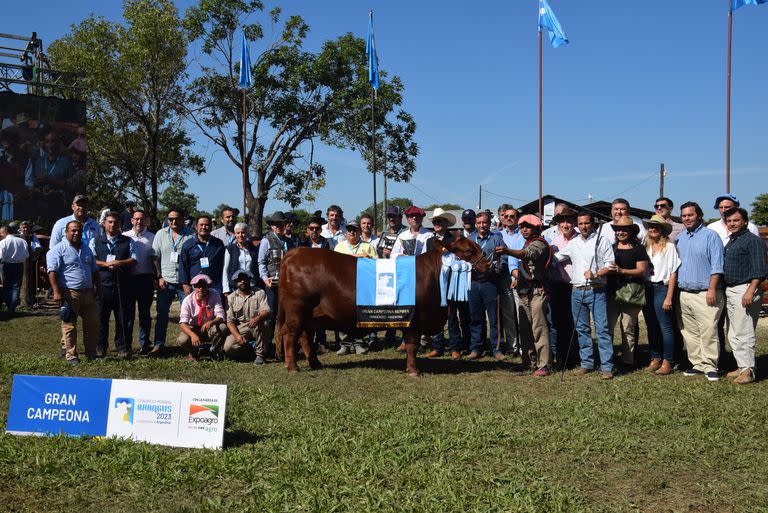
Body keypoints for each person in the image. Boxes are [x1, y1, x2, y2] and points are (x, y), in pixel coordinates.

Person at [554, 212, 616, 380]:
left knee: (602, 329)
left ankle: (607, 367)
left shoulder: (602, 241)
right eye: (580, 224)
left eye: (586, 223)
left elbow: (611, 265)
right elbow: (557, 258)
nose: (583, 226)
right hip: (577, 291)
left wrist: (596, 274)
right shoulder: (573, 243)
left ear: (592, 224)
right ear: (577, 225)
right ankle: (586, 363)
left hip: (596, 290)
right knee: (582, 329)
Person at [676, 201, 724, 382]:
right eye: (684, 215)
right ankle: (697, 364)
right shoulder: (680, 238)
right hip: (685, 293)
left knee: (708, 331)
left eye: (690, 215)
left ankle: (710, 366)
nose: (687, 218)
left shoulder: (711, 236)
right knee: (689, 332)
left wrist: (712, 289)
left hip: (706, 292)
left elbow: (717, 266)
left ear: (699, 215)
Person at [721, 207, 767, 384]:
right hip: (731, 289)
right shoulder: (732, 240)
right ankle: (742, 366)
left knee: (744, 332)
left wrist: (750, 291)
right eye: (729, 221)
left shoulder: (753, 241)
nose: (732, 223)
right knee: (733, 332)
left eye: (736, 220)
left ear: (745, 221)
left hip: (745, 289)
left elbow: (760, 270)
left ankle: (748, 371)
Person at [46, 221, 100, 365]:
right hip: (70, 293)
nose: (76, 233)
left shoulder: (87, 249)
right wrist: (56, 291)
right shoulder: (58, 249)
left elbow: (94, 270)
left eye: (79, 231)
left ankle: (91, 353)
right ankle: (71, 355)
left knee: (92, 324)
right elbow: (52, 272)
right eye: (73, 231)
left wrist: (97, 287)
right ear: (66, 232)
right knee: (69, 325)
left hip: (88, 293)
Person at [90, 211, 136, 358]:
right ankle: (100, 347)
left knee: (122, 319)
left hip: (122, 285)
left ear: (120, 225)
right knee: (101, 318)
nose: (112, 224)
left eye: (115, 222)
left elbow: (134, 259)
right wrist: (106, 264)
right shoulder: (96, 240)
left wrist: (119, 263)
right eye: (109, 222)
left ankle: (122, 347)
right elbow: (91, 260)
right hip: (102, 285)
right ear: (104, 224)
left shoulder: (128, 241)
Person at [606, 216, 649, 370]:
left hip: (631, 293)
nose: (621, 232)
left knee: (628, 328)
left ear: (631, 231)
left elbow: (642, 270)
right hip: (612, 292)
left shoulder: (638, 249)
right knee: (608, 328)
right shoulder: (611, 247)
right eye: (618, 229)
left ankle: (628, 361)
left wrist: (621, 271)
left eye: (624, 229)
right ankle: (607, 361)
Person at [151, 207, 194, 356]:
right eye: (170, 219)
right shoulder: (160, 234)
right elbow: (155, 256)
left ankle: (191, 347)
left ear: (183, 219)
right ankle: (158, 344)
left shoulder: (191, 235)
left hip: (184, 283)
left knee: (189, 315)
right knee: (162, 314)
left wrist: (188, 282)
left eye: (176, 218)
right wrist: (159, 277)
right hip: (166, 281)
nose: (173, 221)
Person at [642, 215, 681, 376]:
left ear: (663, 229)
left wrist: (669, 297)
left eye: (656, 226)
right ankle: (655, 357)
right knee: (651, 326)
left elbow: (673, 273)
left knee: (665, 327)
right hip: (648, 288)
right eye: (650, 226)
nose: (653, 229)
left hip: (661, 289)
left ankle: (668, 360)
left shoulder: (669, 247)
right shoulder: (646, 246)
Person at [333, 220, 378, 355]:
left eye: (355, 230)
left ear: (359, 232)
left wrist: (367, 258)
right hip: (342, 286)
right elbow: (333, 266)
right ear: (346, 232)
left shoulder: (368, 246)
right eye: (349, 230)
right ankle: (345, 344)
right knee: (342, 314)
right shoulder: (339, 246)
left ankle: (359, 342)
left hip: (362, 285)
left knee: (359, 314)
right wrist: (357, 257)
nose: (352, 232)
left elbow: (376, 264)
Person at [467, 211, 506, 361]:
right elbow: (462, 258)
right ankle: (477, 348)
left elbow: (504, 258)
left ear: (490, 224)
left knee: (495, 318)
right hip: (473, 282)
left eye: (485, 222)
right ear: (476, 224)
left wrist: (496, 269)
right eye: (479, 223)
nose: (482, 225)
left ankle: (497, 349)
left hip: (491, 282)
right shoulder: (470, 239)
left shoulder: (496, 239)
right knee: (475, 317)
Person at [257, 211, 298, 354]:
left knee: (288, 314)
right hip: (272, 284)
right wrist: (265, 279)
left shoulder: (290, 241)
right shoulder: (266, 240)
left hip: (289, 284)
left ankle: (287, 343)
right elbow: (261, 262)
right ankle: (267, 345)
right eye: (276, 224)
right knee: (271, 313)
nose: (279, 226)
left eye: (281, 223)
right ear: (272, 226)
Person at [543, 207, 578, 366]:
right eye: (563, 221)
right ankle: (560, 356)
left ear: (574, 223)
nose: (566, 224)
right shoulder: (554, 242)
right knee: (557, 322)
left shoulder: (580, 240)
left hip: (575, 286)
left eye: (569, 221)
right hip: (558, 286)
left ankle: (575, 355)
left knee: (574, 323)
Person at [425, 208, 459, 358]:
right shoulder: (429, 241)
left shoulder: (454, 239)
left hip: (451, 280)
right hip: (435, 283)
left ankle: (454, 347)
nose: (437, 224)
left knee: (451, 315)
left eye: (440, 221)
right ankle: (437, 347)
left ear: (446, 223)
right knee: (436, 315)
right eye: (435, 221)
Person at [122, 209, 156, 355]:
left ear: (145, 221)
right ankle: (126, 344)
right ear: (131, 221)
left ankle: (144, 344)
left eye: (142, 219)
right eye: (136, 219)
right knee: (128, 314)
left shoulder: (152, 237)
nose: (139, 222)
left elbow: (155, 259)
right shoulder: (124, 236)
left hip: (145, 279)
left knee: (144, 314)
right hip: (129, 280)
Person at [177, 273, 227, 361]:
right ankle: (194, 351)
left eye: (203, 286)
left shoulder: (214, 294)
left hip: (210, 326)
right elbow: (182, 324)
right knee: (182, 340)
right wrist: (192, 335)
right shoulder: (188, 300)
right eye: (197, 286)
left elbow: (221, 316)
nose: (200, 289)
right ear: (194, 287)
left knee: (222, 327)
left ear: (208, 286)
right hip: (194, 327)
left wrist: (211, 322)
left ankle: (214, 351)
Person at [225, 270, 271, 364]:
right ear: (235, 282)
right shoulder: (231, 298)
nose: (242, 281)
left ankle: (260, 355)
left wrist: (258, 318)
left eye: (244, 279)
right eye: (239, 280)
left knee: (264, 324)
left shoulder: (260, 292)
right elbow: (230, 321)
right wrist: (237, 336)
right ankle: (249, 352)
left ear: (249, 279)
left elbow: (266, 310)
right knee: (228, 347)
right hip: (241, 327)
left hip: (257, 324)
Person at [298, 216, 330, 352]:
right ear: (308, 230)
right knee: (305, 314)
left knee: (321, 313)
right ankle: (306, 343)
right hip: (307, 283)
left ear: (321, 230)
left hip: (323, 283)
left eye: (317, 228)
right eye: (312, 228)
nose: (314, 231)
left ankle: (322, 342)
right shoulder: (302, 244)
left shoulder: (327, 243)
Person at [498, 207, 523, 356]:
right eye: (506, 216)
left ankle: (524, 345)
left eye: (512, 216)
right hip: (504, 276)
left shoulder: (524, 234)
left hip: (521, 275)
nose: (509, 218)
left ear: (517, 218)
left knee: (522, 313)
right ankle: (512, 346)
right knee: (508, 313)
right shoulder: (498, 235)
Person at [179, 215, 226, 295]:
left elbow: (223, 266)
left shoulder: (218, 244)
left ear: (211, 227)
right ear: (196, 227)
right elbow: (183, 265)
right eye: (201, 225)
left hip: (214, 286)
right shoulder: (188, 244)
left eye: (207, 225)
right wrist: (185, 284)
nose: (204, 227)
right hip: (195, 286)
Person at [0, 225, 29, 316]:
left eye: (1, 233)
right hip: (19, 265)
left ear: (5, 232)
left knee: (7, 285)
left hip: (6, 264)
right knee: (16, 286)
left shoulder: (3, 242)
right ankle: (12, 307)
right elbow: (26, 255)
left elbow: (0, 256)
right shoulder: (22, 241)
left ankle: (9, 305)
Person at [223, 222, 259, 294]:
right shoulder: (230, 249)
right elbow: (225, 269)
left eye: (243, 232)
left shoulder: (253, 249)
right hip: (235, 287)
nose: (240, 235)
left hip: (251, 285)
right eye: (238, 233)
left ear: (247, 233)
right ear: (235, 234)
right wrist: (226, 288)